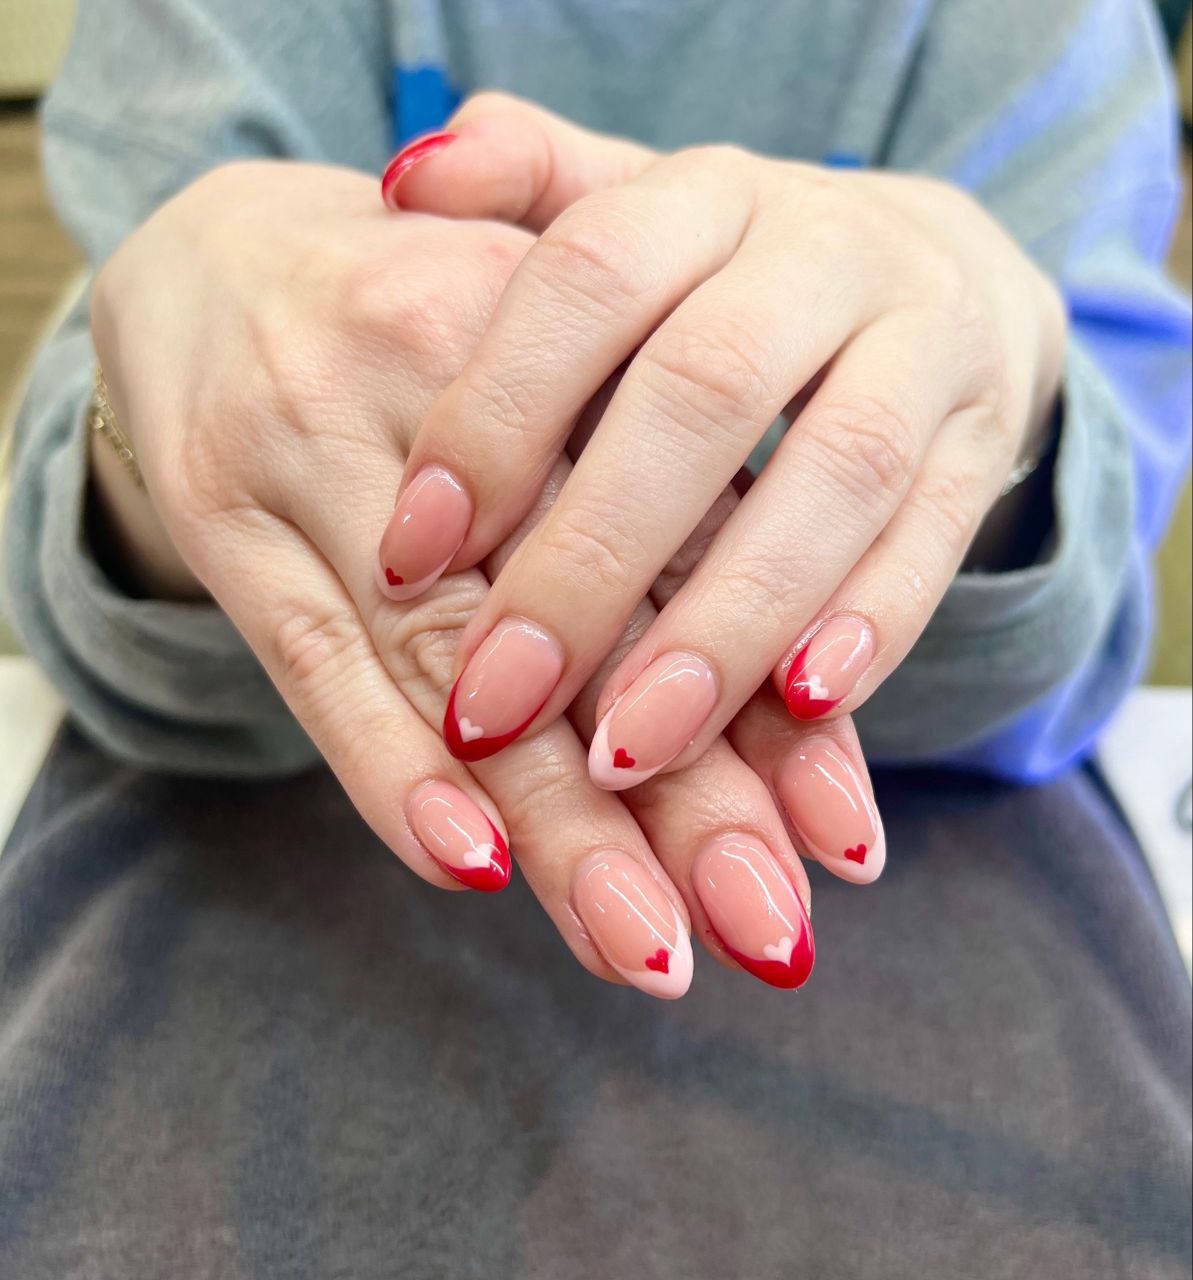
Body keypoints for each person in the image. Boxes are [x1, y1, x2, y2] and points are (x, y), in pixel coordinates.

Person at [1, 1, 1189, 1275]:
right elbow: (125, 653)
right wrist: (166, 427)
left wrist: (996, 395)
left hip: (935, 955)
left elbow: (1048, 673)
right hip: (245, 925)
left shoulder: (1040, 24)